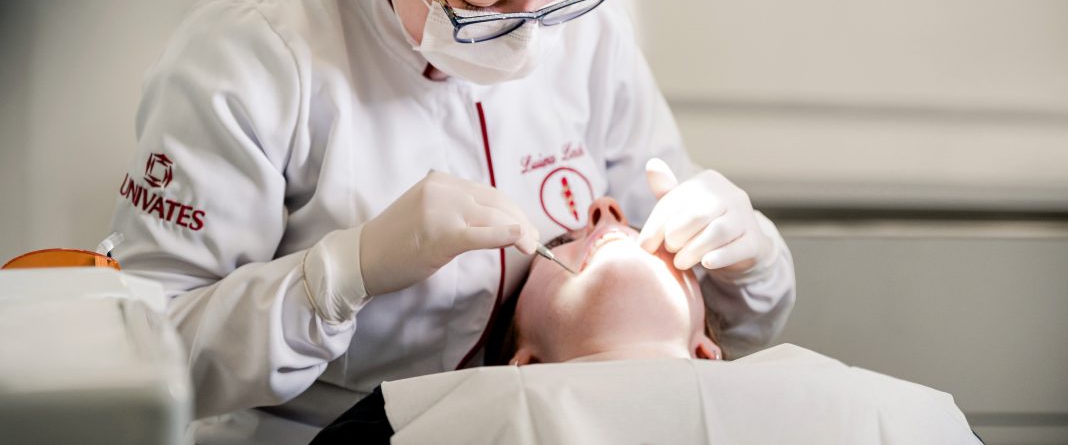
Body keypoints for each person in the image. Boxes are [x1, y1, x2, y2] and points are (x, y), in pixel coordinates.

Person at [107, 0, 795, 439]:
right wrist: (342, 274)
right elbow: (143, 356)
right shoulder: (257, 59)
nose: (531, 40)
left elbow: (695, 328)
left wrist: (749, 258)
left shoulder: (593, 36)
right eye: (482, 5)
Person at [312, 199, 980, 445]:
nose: (604, 211)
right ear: (524, 363)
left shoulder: (895, 416)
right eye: (564, 240)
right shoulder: (409, 425)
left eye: (641, 226)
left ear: (707, 348)